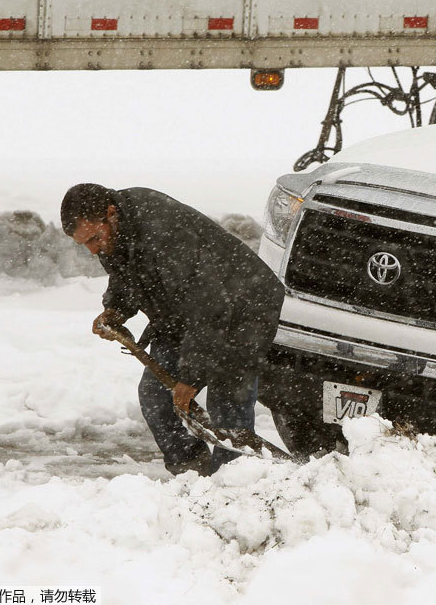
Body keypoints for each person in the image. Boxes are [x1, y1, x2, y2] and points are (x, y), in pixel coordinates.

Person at [60, 183, 284, 476]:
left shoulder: (164, 232)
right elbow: (126, 274)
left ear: (110, 213)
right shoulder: (116, 232)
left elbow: (210, 307)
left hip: (243, 310)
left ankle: (233, 488)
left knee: (227, 409)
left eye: (94, 238)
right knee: (156, 398)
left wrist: (191, 376)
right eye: (84, 244)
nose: (93, 250)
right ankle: (193, 473)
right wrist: (115, 309)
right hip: (186, 316)